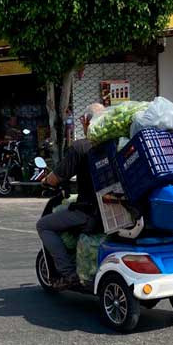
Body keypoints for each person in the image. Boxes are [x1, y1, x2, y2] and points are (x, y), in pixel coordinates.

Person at [37, 103, 105, 289]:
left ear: (85, 121)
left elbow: (57, 177)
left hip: (89, 213)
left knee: (43, 225)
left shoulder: (80, 147)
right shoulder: (113, 145)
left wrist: (46, 181)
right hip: (111, 212)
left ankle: (68, 274)